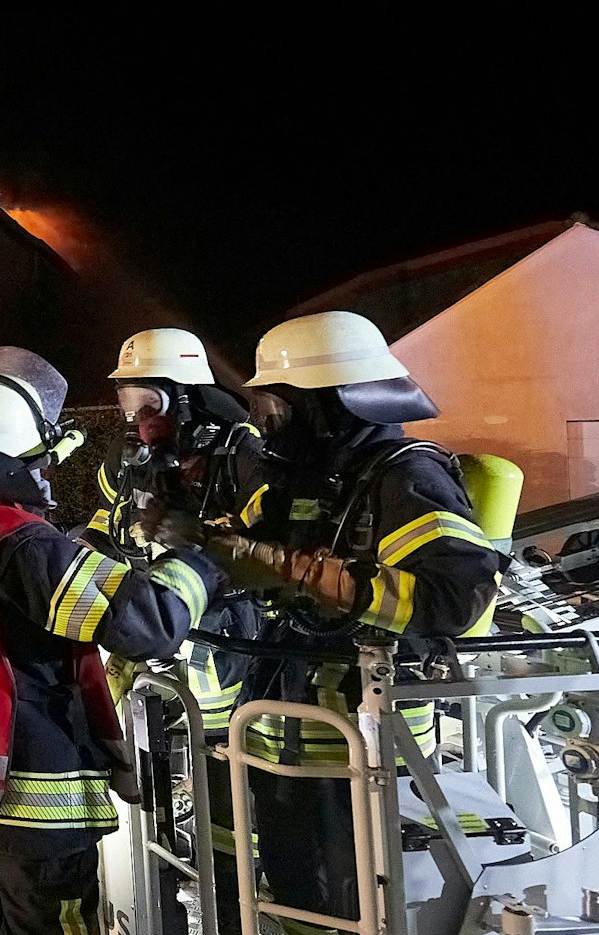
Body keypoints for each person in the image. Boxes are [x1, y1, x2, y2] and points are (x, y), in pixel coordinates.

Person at [0, 347, 224, 935]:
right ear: (23, 447)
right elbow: (148, 622)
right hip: (32, 797)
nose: (48, 469)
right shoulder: (19, 543)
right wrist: (207, 558)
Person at [209, 311, 501, 935]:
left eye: (276, 404)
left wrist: (292, 569)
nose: (261, 419)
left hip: (363, 739)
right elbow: (257, 549)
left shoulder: (406, 477)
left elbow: (458, 599)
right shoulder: (304, 475)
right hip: (284, 723)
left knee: (359, 897)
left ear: (329, 405)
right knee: (296, 891)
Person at [78, 328, 266, 935]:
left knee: (226, 801)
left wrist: (195, 534)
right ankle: (154, 910)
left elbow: (272, 554)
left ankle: (235, 914)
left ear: (185, 397)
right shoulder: (128, 460)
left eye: (149, 405)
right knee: (143, 800)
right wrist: (84, 547)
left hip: (223, 651)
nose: (137, 421)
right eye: (129, 405)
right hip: (150, 656)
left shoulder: (246, 453)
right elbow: (110, 523)